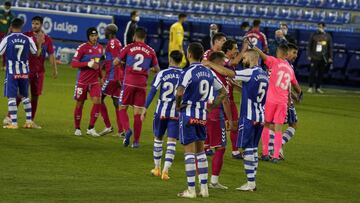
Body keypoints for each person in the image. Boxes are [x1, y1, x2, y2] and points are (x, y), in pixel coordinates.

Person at [176, 42, 228, 198]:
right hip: (202, 116)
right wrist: (211, 108)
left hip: (188, 114)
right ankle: (204, 189)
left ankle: (191, 190)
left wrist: (178, 106)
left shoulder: (188, 71)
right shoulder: (209, 72)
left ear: (189, 54)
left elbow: (179, 91)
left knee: (189, 152)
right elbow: (223, 92)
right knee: (201, 152)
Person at [251, 42, 302, 163]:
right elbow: (296, 86)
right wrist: (299, 93)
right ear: (286, 54)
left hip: (270, 100)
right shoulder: (290, 68)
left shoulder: (273, 61)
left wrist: (253, 47)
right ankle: (275, 156)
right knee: (279, 128)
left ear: (279, 52)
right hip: (283, 102)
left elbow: (262, 55)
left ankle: (264, 153)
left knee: (267, 125)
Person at [142, 50, 183, 181]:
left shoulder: (162, 73)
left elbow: (153, 91)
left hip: (161, 112)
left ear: (170, 60)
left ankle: (157, 168)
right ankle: (166, 171)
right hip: (176, 113)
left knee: (158, 139)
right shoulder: (184, 75)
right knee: (171, 142)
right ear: (181, 60)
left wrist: (145, 107)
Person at [118, 27, 160, 148]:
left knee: (122, 108)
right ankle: (136, 142)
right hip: (141, 85)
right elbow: (157, 70)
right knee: (137, 113)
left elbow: (116, 61)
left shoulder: (129, 47)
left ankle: (127, 130)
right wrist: (150, 68)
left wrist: (123, 63)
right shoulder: (150, 51)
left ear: (135, 36)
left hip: (128, 83)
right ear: (144, 37)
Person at [234, 49, 269, 192]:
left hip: (248, 117)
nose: (243, 61)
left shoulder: (250, 72)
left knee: (247, 148)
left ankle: (250, 183)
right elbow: (248, 89)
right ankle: (252, 181)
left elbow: (229, 72)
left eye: (244, 58)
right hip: (260, 116)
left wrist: (210, 64)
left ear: (250, 57)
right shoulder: (264, 74)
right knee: (254, 149)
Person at [0, 18, 41, 129]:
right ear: (21, 27)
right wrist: (40, 44)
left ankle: (14, 123)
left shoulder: (7, 38)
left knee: (11, 97)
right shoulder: (28, 39)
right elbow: (35, 53)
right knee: (25, 96)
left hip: (12, 72)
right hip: (24, 72)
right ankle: (28, 121)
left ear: (11, 26)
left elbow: (0, 52)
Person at [202, 32, 237, 157]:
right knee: (220, 146)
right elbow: (230, 72)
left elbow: (231, 72)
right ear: (216, 41)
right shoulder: (208, 55)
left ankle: (206, 148)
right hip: (216, 96)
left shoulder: (222, 57)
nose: (224, 42)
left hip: (219, 96)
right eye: (222, 40)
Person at [22, 16, 57, 128]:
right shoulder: (26, 35)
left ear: (41, 25)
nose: (34, 25)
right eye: (33, 23)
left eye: (36, 23)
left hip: (39, 72)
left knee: (35, 96)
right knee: (21, 93)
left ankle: (30, 121)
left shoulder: (47, 39)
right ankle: (9, 117)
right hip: (26, 69)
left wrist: (54, 69)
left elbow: (51, 55)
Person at [206, 51, 234, 190]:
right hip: (215, 114)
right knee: (220, 148)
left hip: (201, 113)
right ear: (217, 61)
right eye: (223, 62)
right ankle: (214, 181)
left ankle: (200, 180)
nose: (225, 64)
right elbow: (225, 101)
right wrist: (230, 119)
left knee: (201, 147)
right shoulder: (221, 77)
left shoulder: (203, 73)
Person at [268, 43, 300, 159]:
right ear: (286, 54)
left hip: (285, 99)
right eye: (293, 52)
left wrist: (294, 95)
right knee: (275, 125)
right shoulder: (280, 64)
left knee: (293, 124)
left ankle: (277, 146)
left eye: (296, 53)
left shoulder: (286, 65)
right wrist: (296, 93)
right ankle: (275, 149)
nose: (295, 55)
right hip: (281, 100)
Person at [71, 27, 104, 137]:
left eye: (95, 35)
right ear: (88, 37)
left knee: (97, 101)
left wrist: (101, 77)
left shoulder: (100, 48)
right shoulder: (82, 48)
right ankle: (77, 128)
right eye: (92, 36)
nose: (94, 38)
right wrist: (87, 64)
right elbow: (74, 64)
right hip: (82, 81)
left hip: (94, 81)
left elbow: (97, 64)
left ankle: (91, 127)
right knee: (80, 103)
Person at [221, 39, 246, 159]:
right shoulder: (223, 61)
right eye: (235, 48)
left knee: (234, 124)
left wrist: (244, 90)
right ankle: (207, 147)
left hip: (229, 99)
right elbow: (235, 62)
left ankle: (235, 151)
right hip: (219, 100)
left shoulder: (229, 63)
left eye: (237, 48)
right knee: (215, 124)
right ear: (228, 50)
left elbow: (231, 82)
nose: (236, 51)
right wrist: (244, 48)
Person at [99, 24, 124, 136]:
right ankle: (121, 130)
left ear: (110, 32)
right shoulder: (116, 42)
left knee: (98, 98)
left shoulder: (113, 43)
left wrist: (118, 78)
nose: (104, 32)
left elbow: (116, 60)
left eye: (106, 30)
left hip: (113, 77)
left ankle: (108, 126)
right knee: (116, 102)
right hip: (115, 76)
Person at [307, 22, 333, 94]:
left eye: (321, 27)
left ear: (324, 27)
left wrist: (330, 57)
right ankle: (310, 87)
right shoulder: (313, 35)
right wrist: (309, 55)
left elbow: (330, 47)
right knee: (312, 72)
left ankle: (318, 87)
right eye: (319, 26)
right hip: (314, 57)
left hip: (323, 57)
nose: (320, 28)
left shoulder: (328, 36)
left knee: (321, 73)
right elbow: (309, 46)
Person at [0, 1, 15, 69]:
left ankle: (4, 65)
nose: (7, 7)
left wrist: (8, 33)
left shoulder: (11, 15)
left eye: (8, 6)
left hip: (4, 33)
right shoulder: (0, 12)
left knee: (4, 49)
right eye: (6, 6)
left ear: (9, 7)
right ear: (4, 6)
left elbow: (11, 26)